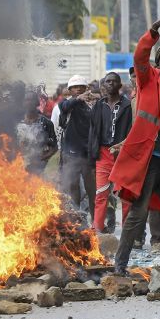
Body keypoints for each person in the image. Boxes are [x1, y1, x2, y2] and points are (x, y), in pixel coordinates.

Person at [110, 11, 160, 281]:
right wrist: (155, 29)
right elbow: (139, 57)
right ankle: (119, 266)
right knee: (138, 213)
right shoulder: (148, 78)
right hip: (148, 158)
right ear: (159, 61)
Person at [88, 72, 132, 233]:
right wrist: (92, 158)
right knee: (101, 193)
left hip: (122, 154)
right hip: (103, 154)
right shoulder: (98, 106)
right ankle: (98, 229)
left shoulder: (127, 106)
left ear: (120, 86)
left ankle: (128, 231)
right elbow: (92, 133)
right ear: (104, 85)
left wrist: (125, 150)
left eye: (114, 82)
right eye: (108, 82)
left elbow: (131, 132)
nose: (111, 84)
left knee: (125, 195)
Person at [58, 75, 98, 222]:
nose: (78, 89)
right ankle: (76, 221)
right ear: (70, 90)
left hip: (89, 154)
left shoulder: (93, 104)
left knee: (92, 190)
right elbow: (64, 107)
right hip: (71, 154)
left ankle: (96, 222)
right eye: (75, 87)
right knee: (73, 189)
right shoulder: (66, 104)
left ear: (86, 88)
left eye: (81, 86)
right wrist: (78, 99)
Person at [16, 91, 58, 175]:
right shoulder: (17, 123)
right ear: (23, 103)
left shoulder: (46, 123)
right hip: (19, 165)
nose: (29, 102)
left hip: (39, 168)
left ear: (37, 102)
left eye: (32, 100)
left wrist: (41, 159)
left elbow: (54, 147)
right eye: (27, 100)